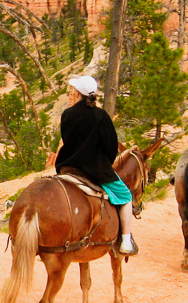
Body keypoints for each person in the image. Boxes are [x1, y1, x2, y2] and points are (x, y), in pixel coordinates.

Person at [55, 75, 138, 256]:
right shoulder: (101, 116)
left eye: (72, 91)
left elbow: (67, 139)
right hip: (94, 170)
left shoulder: (67, 114)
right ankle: (125, 240)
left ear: (78, 94)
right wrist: (105, 163)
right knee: (125, 196)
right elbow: (111, 146)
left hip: (67, 166)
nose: (70, 93)